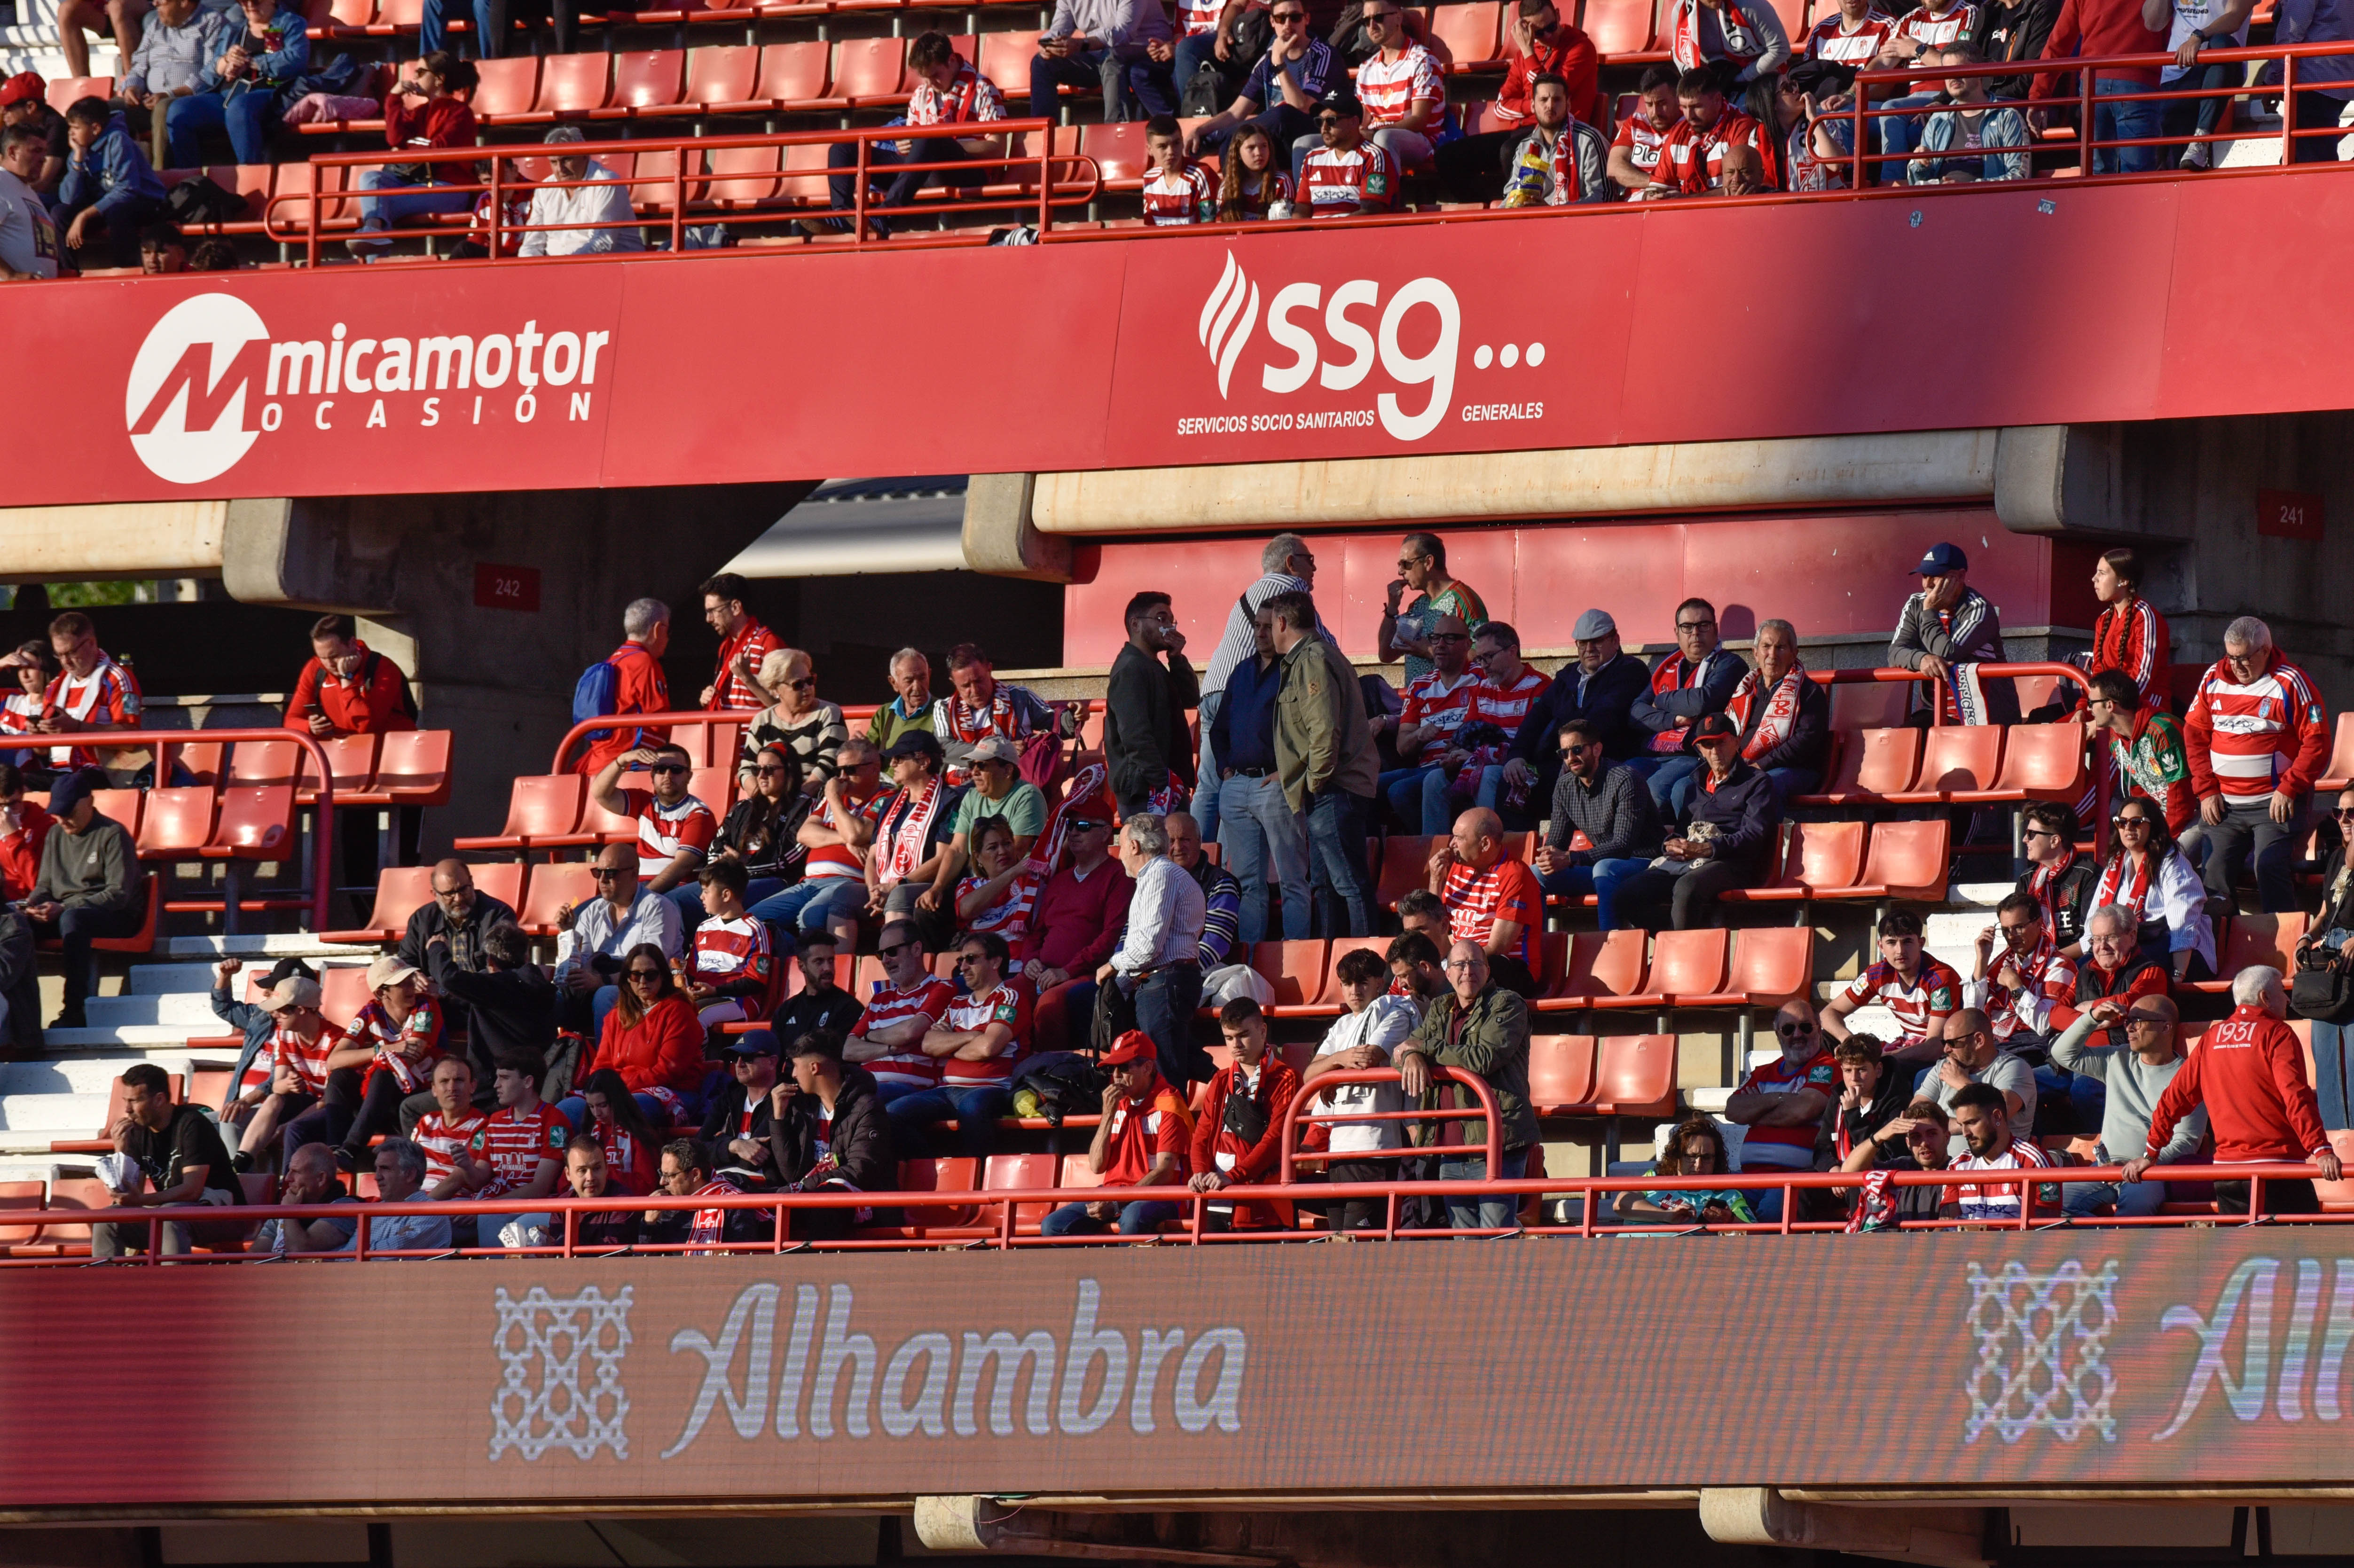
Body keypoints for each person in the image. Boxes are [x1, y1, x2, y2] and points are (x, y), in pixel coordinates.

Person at [2182, 615, 2328, 915]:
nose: (2237, 666)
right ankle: (2221, 948)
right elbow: (2195, 736)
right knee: (2213, 873)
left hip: (2275, 802)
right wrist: (2206, 789)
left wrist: (2290, 788)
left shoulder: (2291, 681)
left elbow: (2318, 741)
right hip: (2225, 803)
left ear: (2266, 651)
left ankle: (2284, 951)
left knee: (2269, 867)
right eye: (2231, 657)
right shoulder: (2212, 679)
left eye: (2245, 658)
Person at [815, 32, 1007, 238]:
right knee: (842, 149)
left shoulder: (982, 88)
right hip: (921, 169)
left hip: (967, 171)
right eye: (925, 78)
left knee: (929, 138)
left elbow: (997, 148)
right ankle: (842, 216)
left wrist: (942, 143)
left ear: (951, 60)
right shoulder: (921, 94)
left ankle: (886, 217)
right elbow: (913, 141)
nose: (931, 83)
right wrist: (905, 144)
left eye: (936, 75)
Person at [1398, 941, 1535, 1231]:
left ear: (1487, 970)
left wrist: (1425, 1049)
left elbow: (1484, 1058)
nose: (1467, 972)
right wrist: (1412, 1055)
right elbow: (1403, 1052)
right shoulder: (1439, 1007)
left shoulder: (1508, 1003)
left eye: (1475, 964)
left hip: (1498, 1143)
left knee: (1496, 1239)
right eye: (1459, 965)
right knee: (1464, 1246)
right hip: (1450, 1144)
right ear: (1448, 974)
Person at [1268, 590, 1380, 938]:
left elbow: (1324, 728)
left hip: (1335, 788)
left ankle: (1365, 964)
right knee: (1326, 886)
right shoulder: (1313, 657)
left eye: (1270, 624)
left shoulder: (1312, 659)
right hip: (1329, 789)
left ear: (1283, 623)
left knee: (1347, 884)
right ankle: (1339, 967)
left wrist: (1315, 781)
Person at [1611, 712, 1782, 931]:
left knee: (1686, 887)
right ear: (1700, 750)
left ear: (1737, 742)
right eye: (1707, 745)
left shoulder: (1757, 782)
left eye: (1720, 743)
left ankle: (1678, 955)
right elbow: (1683, 830)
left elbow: (1753, 837)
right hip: (1691, 862)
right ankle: (1678, 944)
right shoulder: (1694, 785)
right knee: (1626, 894)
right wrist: (1674, 843)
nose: (1714, 751)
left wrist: (1705, 849)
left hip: (1735, 864)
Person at [1209, 603, 1310, 945]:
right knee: (1248, 883)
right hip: (1237, 786)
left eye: (1269, 626)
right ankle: (1252, 957)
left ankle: (1297, 955)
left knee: (1292, 879)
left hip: (1276, 784)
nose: (1262, 633)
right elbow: (1218, 728)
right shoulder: (1241, 672)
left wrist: (1288, 773)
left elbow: (1313, 727)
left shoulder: (1295, 669)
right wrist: (1225, 769)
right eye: (1258, 626)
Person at [2051, 992, 2201, 1215]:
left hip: (2149, 1172)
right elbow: (2061, 1054)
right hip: (2104, 1169)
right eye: (2128, 1021)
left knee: (2135, 1211)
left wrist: (2144, 1162)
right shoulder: (2117, 1058)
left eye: (2138, 1022)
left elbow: (2187, 1141)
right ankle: (2104, 1244)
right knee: (2053, 1207)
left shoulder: (2188, 1077)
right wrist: (2092, 1018)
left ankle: (2119, 1246)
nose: (2129, 1028)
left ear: (2166, 1028)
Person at [1301, 945, 1417, 1231]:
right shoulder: (1340, 1026)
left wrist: (1331, 1073)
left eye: (1362, 982)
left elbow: (1370, 1057)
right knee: (1339, 1241)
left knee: (1360, 1243)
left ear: (1380, 982)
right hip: (1339, 1149)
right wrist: (1340, 1061)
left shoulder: (1395, 1009)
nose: (1355, 991)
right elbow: (1309, 1076)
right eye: (1347, 984)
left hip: (1375, 1148)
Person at [1437, 0, 1600, 198]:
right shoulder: (1523, 56)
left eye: (1551, 27)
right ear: (1526, 30)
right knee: (1448, 156)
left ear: (1558, 15)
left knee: (1511, 151)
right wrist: (1534, 106)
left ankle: (1521, 205)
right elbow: (1501, 106)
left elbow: (1550, 94)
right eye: (1539, 33)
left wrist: (1529, 53)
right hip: (1524, 131)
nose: (1548, 36)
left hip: (1561, 132)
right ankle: (1486, 210)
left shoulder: (1580, 48)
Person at [24, 768, 146, 1031]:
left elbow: (118, 895)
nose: (63, 821)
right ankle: (20, 1015)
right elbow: (45, 884)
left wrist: (65, 907)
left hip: (113, 916)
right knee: (15, 924)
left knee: (73, 919)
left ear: (89, 802)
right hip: (67, 912)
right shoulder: (55, 834)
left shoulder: (113, 834)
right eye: (58, 814)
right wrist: (32, 906)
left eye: (69, 813)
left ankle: (75, 1009)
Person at [890, 930, 1029, 1158]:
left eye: (971, 959)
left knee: (971, 1109)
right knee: (892, 1114)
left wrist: (952, 1042)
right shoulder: (957, 1003)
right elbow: (928, 1045)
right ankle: (933, 1172)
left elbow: (988, 1048)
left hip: (993, 1089)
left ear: (996, 962)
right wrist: (972, 1035)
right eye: (960, 960)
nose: (963, 967)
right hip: (945, 1092)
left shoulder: (1009, 998)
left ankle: (980, 1183)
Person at [1041, 1030, 1194, 1237]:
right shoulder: (1117, 1104)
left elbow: (1165, 1174)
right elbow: (1097, 1166)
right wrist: (1108, 1115)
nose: (1116, 1076)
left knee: (1132, 1220)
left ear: (1148, 1068)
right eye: (1112, 1069)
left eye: (1124, 1068)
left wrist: (1116, 1203)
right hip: (1114, 1192)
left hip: (1161, 1195)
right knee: (1053, 1226)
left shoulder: (1169, 1104)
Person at [1501, 610, 1649, 815]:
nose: (1589, 649)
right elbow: (1538, 717)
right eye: (1582, 643)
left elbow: (1607, 717)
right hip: (1565, 762)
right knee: (1511, 780)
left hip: (1608, 761)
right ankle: (1519, 845)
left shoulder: (1630, 671)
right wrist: (1516, 755)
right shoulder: (1567, 676)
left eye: (1597, 641)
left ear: (1615, 641)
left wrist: (1574, 755)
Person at [94, 1060, 245, 1259]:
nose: (128, 1110)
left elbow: (192, 1190)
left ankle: (172, 1289)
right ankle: (105, 1288)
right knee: (107, 1221)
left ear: (159, 1100)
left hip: (222, 1214)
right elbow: (131, 1193)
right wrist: (121, 1150)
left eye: (135, 1101)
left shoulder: (191, 1123)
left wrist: (144, 1201)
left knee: (170, 1217)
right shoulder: (139, 1129)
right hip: (173, 1212)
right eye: (125, 1101)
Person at [1103, 812, 1210, 1089]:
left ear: (1135, 846)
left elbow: (1148, 947)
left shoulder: (1159, 874)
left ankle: (1237, 1104)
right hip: (1163, 984)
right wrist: (1121, 989)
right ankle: (1237, 1096)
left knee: (1166, 1079)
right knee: (1185, 1065)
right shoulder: (1160, 876)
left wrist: (1113, 966)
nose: (1119, 855)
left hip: (1165, 984)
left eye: (1122, 845)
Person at [311, 954, 443, 1172]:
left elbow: (411, 1056)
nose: (410, 987)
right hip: (377, 1099)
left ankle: (350, 1148)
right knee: (340, 1077)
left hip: (414, 1094)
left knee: (384, 1071)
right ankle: (334, 1150)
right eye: (401, 984)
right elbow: (334, 1061)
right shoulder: (370, 1011)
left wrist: (377, 1059)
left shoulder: (426, 1007)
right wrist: (381, 1049)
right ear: (382, 993)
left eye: (410, 980)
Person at [1532, 719, 1662, 932]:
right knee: (1535, 874)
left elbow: (1623, 845)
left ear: (1597, 749)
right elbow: (1558, 840)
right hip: (1602, 867)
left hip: (1645, 864)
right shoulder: (1565, 786)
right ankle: (1539, 955)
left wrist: (1571, 858)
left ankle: (1610, 946)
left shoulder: (1626, 779)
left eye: (1576, 750)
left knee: (1605, 868)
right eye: (1564, 753)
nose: (1570, 758)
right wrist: (1549, 856)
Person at [345, 53, 479, 257]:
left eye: (420, 72)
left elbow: (437, 149)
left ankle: (374, 257)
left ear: (439, 79)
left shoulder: (460, 113)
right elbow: (394, 139)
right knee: (370, 179)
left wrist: (408, 146)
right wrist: (394, 98)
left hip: (448, 188)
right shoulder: (419, 111)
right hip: (415, 182)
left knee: (381, 204)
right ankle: (373, 231)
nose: (414, 77)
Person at [768, 1030, 898, 1240]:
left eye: (796, 1066)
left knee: (827, 1198)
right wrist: (779, 1118)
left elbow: (860, 1170)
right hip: (811, 1199)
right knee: (757, 1206)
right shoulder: (805, 1109)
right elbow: (792, 1174)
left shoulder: (867, 1106)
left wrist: (801, 1187)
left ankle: (817, 1267)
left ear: (813, 1067)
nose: (793, 1075)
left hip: (864, 1204)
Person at [755, 737, 882, 949]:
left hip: (848, 884)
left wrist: (833, 798)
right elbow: (804, 834)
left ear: (875, 769)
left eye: (850, 769)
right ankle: (793, 963)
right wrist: (846, 840)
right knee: (753, 921)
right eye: (838, 770)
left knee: (810, 917)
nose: (842, 777)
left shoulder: (885, 797)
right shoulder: (839, 797)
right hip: (808, 883)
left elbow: (858, 833)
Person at [1186, 998, 1301, 1231]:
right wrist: (1199, 1172)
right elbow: (1202, 1135)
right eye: (1229, 1038)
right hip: (1216, 1194)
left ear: (1263, 1030)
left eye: (1243, 1035)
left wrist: (1235, 1176)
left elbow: (1276, 1139)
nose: (1236, 1044)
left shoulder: (1286, 1077)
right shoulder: (1219, 1080)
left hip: (1264, 1197)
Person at [1021, 813, 1133, 1051]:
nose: (1073, 832)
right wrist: (1030, 960)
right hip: (1042, 972)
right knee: (1009, 996)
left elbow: (1112, 936)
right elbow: (1037, 932)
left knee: (1050, 1005)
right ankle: (1006, 1074)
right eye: (1070, 826)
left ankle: (1052, 1075)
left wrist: (1067, 971)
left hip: (1087, 973)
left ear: (1105, 833)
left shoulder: (1119, 876)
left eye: (1083, 826)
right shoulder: (1059, 880)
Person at [1723, 999, 1838, 1221]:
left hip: (1795, 1178)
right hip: (1750, 1179)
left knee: (1772, 1212)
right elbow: (1733, 1110)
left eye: (1806, 1027)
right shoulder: (1763, 1072)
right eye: (1788, 1029)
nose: (1797, 1035)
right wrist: (1779, 1098)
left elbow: (1802, 1109)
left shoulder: (1826, 1066)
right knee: (1718, 1207)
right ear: (1778, 1035)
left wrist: (1757, 1113)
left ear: (1819, 1030)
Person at [1629, 596, 1746, 815]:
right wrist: (1672, 720)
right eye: (1687, 627)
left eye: (1703, 625)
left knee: (1656, 790)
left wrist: (1661, 700)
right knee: (1619, 780)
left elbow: (1701, 702)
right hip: (1653, 753)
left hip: (1694, 756)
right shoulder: (1667, 669)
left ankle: (1659, 848)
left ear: (1715, 629)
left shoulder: (1730, 664)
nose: (1695, 633)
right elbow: (1636, 712)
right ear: (1677, 633)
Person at [554, 845, 682, 1039]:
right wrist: (567, 933)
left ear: (634, 874)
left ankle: (607, 1067)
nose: (603, 880)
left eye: (611, 873)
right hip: (596, 982)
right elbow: (581, 961)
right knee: (549, 999)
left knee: (606, 996)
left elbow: (652, 968)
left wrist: (602, 981)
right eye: (598, 872)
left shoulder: (658, 908)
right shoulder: (593, 911)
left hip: (643, 987)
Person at [2027, 0, 2170, 173]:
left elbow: (2058, 43)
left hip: (2094, 86)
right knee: (2137, 176)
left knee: (2097, 174)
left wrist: (2039, 96)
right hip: (2137, 83)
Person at [165, 0, 309, 166]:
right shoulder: (233, 30)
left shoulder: (291, 23)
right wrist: (226, 62)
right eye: (243, 2)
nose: (250, 6)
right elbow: (209, 73)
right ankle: (190, 181)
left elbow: (296, 59)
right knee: (179, 110)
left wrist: (252, 62)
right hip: (229, 96)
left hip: (271, 93)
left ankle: (251, 174)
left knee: (239, 108)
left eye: (256, 1)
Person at [1889, 541, 2018, 725]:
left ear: (1961, 576)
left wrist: (1930, 611)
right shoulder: (1916, 603)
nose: (1928, 584)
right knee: (1902, 742)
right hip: (1935, 713)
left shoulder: (1978, 608)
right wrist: (1922, 659)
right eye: (1925, 576)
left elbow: (1947, 652)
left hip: (1984, 718)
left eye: (1937, 576)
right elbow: (1895, 652)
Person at [2082, 797, 2212, 981]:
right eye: (2121, 823)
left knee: (2121, 974)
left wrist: (2178, 973)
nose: (2128, 828)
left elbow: (2183, 923)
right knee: (2082, 972)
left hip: (2180, 952)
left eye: (2137, 822)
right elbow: (2095, 918)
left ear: (2153, 826)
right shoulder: (2116, 864)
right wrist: (2089, 952)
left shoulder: (2172, 863)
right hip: (2127, 947)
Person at [1426, 808, 1545, 997]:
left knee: (1476, 972)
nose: (1452, 844)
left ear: (1485, 844)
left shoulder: (1515, 875)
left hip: (1508, 967)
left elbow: (1498, 948)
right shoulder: (1458, 867)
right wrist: (1435, 880)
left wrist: (1448, 965)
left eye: (1459, 838)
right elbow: (1437, 925)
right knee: (1411, 961)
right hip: (1460, 961)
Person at [1185, 3, 1334, 155]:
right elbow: (1236, 113)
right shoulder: (1267, 62)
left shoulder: (1323, 55)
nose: (1288, 24)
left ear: (1306, 19)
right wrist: (1201, 130)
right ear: (1272, 22)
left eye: (1295, 18)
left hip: (1315, 137)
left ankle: (1217, 141)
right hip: (1277, 141)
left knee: (1282, 114)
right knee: (1234, 149)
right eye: (1281, 18)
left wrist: (1279, 65)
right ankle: (1214, 142)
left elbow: (1302, 108)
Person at [580, 942, 703, 1124]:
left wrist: (617, 1089)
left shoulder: (679, 1011)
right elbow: (602, 1065)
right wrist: (605, 1090)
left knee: (631, 1108)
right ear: (627, 979)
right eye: (636, 975)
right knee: (569, 1110)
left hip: (672, 1091)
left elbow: (667, 1071)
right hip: (618, 1093)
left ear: (663, 976)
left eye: (651, 975)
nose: (643, 982)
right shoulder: (616, 1015)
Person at [1382, 613, 1481, 835]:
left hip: (1460, 765)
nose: (1440, 645)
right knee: (1365, 788)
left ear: (1468, 644)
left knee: (1400, 791)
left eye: (1450, 638)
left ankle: (1436, 851)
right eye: (1435, 638)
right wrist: (1419, 736)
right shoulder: (1419, 685)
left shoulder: (1481, 679)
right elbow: (1403, 746)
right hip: (1423, 768)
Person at [425, 921, 552, 1091]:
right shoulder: (538, 985)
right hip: (533, 1082)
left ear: (491, 962)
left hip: (493, 1090)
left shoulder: (496, 988)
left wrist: (436, 948)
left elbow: (450, 979)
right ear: (526, 957)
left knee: (410, 1108)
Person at [1105, 591, 1199, 819]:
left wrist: (1177, 658)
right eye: (1160, 619)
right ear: (1135, 624)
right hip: (1145, 790)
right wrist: (1162, 781)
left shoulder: (1152, 665)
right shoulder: (1131, 668)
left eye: (1171, 621)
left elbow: (1191, 699)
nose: (1169, 627)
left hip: (1165, 786)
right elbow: (1135, 734)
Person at [1823, 908, 1963, 1061]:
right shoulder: (1877, 974)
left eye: (1907, 942)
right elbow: (1828, 1013)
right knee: (1824, 1039)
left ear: (1921, 943)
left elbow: (1934, 1047)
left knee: (1888, 1069)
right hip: (1905, 1045)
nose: (1900, 951)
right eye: (1891, 942)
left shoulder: (1940, 978)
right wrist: (1849, 1041)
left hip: (1941, 1053)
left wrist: (1882, 1059)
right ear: (1881, 946)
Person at [222, 971, 330, 1167]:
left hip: (332, 1110)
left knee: (293, 1129)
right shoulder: (285, 1035)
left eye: (281, 1010)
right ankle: (239, 1166)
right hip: (305, 1104)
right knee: (272, 1100)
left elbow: (332, 1099)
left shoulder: (335, 1041)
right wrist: (287, 1084)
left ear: (302, 1010)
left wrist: (289, 1123)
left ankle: (286, 1183)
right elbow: (278, 1087)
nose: (274, 1015)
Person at [695, 745, 809, 927]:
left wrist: (742, 863)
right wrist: (725, 866)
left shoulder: (804, 806)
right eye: (757, 770)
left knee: (720, 900)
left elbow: (789, 855)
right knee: (675, 900)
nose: (761, 776)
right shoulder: (743, 807)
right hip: (730, 878)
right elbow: (718, 845)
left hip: (777, 881)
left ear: (789, 771)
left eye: (770, 770)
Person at [844, 919, 955, 1105]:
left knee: (865, 1101)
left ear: (917, 949)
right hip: (872, 1087)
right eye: (881, 954)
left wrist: (869, 1037)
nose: (886, 960)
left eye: (892, 952)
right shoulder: (880, 999)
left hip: (915, 1089)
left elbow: (910, 1031)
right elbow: (849, 1050)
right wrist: (890, 1049)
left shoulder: (941, 988)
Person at [867, 730, 963, 941]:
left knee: (899, 897)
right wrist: (873, 890)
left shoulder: (949, 800)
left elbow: (942, 858)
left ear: (924, 762)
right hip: (885, 885)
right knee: (842, 896)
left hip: (925, 886)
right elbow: (872, 856)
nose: (892, 764)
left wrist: (894, 886)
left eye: (899, 758)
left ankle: (896, 962)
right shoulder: (890, 804)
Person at [1724, 619, 1829, 809]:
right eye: (1766, 646)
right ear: (1755, 653)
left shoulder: (1809, 692)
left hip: (1793, 769)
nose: (1772, 655)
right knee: (1686, 786)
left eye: (1781, 647)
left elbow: (1804, 743)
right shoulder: (1743, 691)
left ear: (1794, 654)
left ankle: (1762, 839)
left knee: (1764, 784)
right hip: (1744, 766)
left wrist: (1760, 766)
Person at [592, 742, 716, 903]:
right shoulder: (645, 802)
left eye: (676, 770)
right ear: (652, 775)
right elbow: (600, 794)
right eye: (660, 770)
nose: (668, 776)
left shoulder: (699, 814)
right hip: (637, 888)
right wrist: (622, 761)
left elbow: (682, 867)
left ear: (689, 776)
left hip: (674, 889)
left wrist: (641, 898)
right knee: (582, 914)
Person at [470, 1052, 571, 1250]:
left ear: (528, 1082)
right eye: (497, 1078)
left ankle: (496, 1279)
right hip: (494, 1203)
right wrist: (466, 1166)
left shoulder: (555, 1121)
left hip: (537, 1205)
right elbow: (478, 1178)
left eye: (505, 1078)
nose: (496, 1085)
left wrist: (487, 1207)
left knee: (488, 1219)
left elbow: (540, 1188)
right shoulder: (496, 1121)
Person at [56, 97, 167, 270]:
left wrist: (84, 216)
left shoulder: (119, 141)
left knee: (118, 212)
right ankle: (67, 272)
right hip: (103, 207)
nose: (71, 133)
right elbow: (68, 200)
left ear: (95, 128)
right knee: (60, 213)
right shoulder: (80, 148)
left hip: (144, 203)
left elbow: (127, 190)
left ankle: (126, 270)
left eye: (76, 128)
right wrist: (78, 161)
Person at [1914, 1008, 2040, 1158]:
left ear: (1979, 1040)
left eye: (1953, 1043)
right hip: (1943, 1171)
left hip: (1996, 1169)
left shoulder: (2014, 1068)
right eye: (1944, 1042)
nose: (1946, 1049)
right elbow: (1914, 1117)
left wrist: (1961, 1083)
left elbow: (1998, 1114)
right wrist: (1971, 1124)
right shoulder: (1944, 1068)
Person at [1028, 0, 1176, 126]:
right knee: (1042, 63)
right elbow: (1059, 29)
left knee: (1112, 58)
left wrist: (1081, 44)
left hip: (1148, 52)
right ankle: (1043, 131)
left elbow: (1122, 33)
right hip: (1098, 52)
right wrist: (1049, 45)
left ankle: (1115, 129)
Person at [571, 598, 671, 778]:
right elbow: (659, 722)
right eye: (668, 630)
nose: (668, 638)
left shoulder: (613, 660)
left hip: (599, 764)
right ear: (658, 629)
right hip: (629, 768)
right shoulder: (645, 662)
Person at [2085, 670, 2195, 834]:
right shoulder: (2116, 740)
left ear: (2109, 705)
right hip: (2160, 820)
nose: (2089, 710)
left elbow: (2181, 794)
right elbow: (2139, 791)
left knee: (2172, 856)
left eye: (2091, 703)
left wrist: (2161, 839)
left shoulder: (2162, 730)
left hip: (2195, 816)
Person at [1970, 889, 2077, 1052]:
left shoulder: (2060, 965)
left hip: (2032, 1046)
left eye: (2019, 928)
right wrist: (1982, 961)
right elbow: (1972, 1015)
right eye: (2005, 930)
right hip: (1993, 1041)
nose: (2012, 936)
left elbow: (2044, 1024)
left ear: (2039, 923)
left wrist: (2015, 986)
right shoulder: (2002, 964)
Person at [2302, 792, 2354, 1129]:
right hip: (2332, 956)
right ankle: (2337, 1137)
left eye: (2353, 812)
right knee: (2325, 1056)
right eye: (2339, 812)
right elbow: (2326, 910)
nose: (2345, 819)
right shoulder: (2337, 857)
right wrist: (2308, 935)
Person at [1350, 0, 1450, 173]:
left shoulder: (1423, 60)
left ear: (1398, 18)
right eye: (1366, 21)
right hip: (1378, 136)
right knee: (1311, 143)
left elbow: (1419, 121)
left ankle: (1386, 199)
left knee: (1384, 138)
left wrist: (1374, 133)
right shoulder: (1366, 68)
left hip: (1422, 141)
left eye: (1378, 18)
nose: (1372, 26)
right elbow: (1364, 120)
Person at [931, 643, 1052, 786]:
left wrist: (1072, 716)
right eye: (966, 686)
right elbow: (944, 748)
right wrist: (997, 751)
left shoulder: (1020, 698)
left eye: (979, 681)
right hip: (961, 790)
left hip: (1012, 787)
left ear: (989, 669)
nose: (975, 690)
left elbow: (1056, 722)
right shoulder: (944, 708)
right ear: (954, 682)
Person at [1462, 622, 1550, 818]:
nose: (1484, 665)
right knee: (1434, 781)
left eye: (1489, 657)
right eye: (1480, 659)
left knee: (1488, 775)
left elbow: (1534, 742)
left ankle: (1485, 839)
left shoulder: (1540, 686)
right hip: (1480, 760)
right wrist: (1460, 753)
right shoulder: (1482, 688)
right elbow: (1468, 733)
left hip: (1522, 763)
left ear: (1512, 651)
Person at [393, 861, 515, 1001]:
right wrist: (413, 975)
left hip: (483, 1003)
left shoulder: (499, 915)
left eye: (463, 889)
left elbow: (499, 970)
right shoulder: (421, 920)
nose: (458, 899)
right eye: (450, 894)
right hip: (435, 1004)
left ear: (472, 882)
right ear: (435, 894)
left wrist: (446, 990)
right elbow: (406, 961)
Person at [1906, 43, 2031, 180]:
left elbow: (2019, 175)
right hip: (1939, 197)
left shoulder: (2007, 117)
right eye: (1947, 72)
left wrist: (1967, 188)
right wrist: (1920, 165)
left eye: (1959, 69)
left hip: (1985, 199)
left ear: (1979, 71)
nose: (1953, 77)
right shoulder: (1938, 120)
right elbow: (1919, 183)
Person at [1380, 533, 1488, 686]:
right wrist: (1392, 609)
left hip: (1452, 704)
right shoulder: (1417, 606)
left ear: (1429, 562)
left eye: (1406, 564)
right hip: (1417, 704)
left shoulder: (1463, 600)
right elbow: (1386, 655)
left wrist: (1431, 650)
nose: (1400, 572)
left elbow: (1482, 655)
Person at [736, 649, 845, 800]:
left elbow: (828, 766)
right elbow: (747, 769)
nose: (807, 688)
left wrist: (795, 803)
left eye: (810, 681)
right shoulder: (763, 720)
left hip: (813, 802)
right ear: (776, 690)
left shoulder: (829, 713)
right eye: (798, 685)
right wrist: (764, 804)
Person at [287, 615, 417, 740]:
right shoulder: (315, 668)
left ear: (352, 644)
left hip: (391, 750)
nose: (329, 664)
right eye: (322, 658)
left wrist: (347, 678)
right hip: (346, 750)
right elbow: (291, 720)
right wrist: (310, 727)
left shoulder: (383, 668)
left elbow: (365, 726)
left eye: (334, 656)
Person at [1944, 1082, 2060, 1220]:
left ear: (1997, 1117)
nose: (1965, 1133)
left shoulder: (2033, 1161)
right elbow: (1947, 1227)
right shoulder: (1956, 1166)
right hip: (1967, 1242)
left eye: (1972, 1123)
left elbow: (2046, 1230)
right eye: (1962, 1125)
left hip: (2018, 1242)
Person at [1648, 66, 1773, 195]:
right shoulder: (1678, 133)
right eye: (1684, 107)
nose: (1689, 115)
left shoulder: (1741, 128)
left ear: (1717, 100)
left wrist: (1687, 201)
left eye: (1696, 107)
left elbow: (1740, 188)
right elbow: (1660, 186)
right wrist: (1655, 196)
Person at [683, 860, 775, 1032]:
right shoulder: (704, 928)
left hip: (740, 1001)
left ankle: (696, 1060)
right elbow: (691, 973)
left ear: (726, 895)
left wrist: (715, 991)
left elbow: (756, 982)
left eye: (706, 892)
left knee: (696, 1015)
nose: (701, 897)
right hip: (703, 996)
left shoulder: (755, 930)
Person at [1618, 1116, 1757, 1225]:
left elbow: (1758, 1235)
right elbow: (1621, 1204)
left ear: (1716, 1160)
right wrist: (1667, 1216)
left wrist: (1730, 1221)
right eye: (1691, 1156)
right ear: (1677, 1156)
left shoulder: (1728, 1195)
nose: (1698, 1165)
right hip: (1634, 1250)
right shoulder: (1655, 1178)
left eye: (1707, 1157)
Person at [1837, 1097, 1954, 1227]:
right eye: (1916, 1137)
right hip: (1897, 1246)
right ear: (1908, 1143)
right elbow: (1847, 1173)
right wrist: (1879, 1136)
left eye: (1932, 1134)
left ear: (1947, 1137)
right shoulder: (1901, 1166)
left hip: (1939, 1246)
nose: (1924, 1143)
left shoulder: (1959, 1169)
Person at [1496, 73, 1611, 205]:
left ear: (1568, 105)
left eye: (1557, 100)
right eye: (1544, 100)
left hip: (1577, 224)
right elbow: (1511, 198)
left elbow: (1604, 198)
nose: (1550, 106)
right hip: (1533, 223)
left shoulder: (1589, 141)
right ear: (1533, 106)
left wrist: (1552, 212)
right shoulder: (1525, 147)